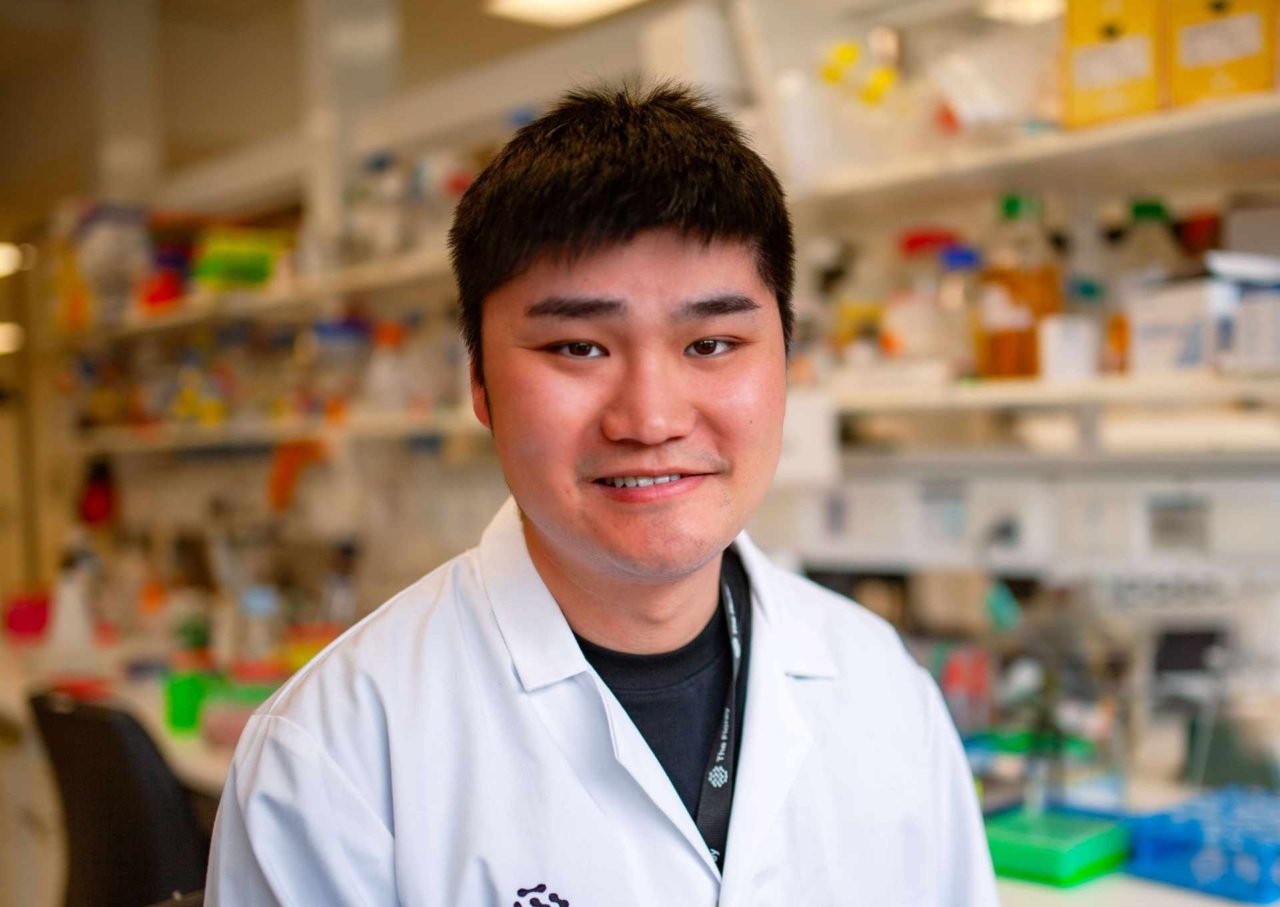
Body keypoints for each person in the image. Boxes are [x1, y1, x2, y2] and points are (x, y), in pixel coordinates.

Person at [206, 82, 998, 906]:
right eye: (579, 346)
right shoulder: (334, 756)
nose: (650, 417)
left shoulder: (883, 688)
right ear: (480, 382)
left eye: (713, 342)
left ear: (787, 363)